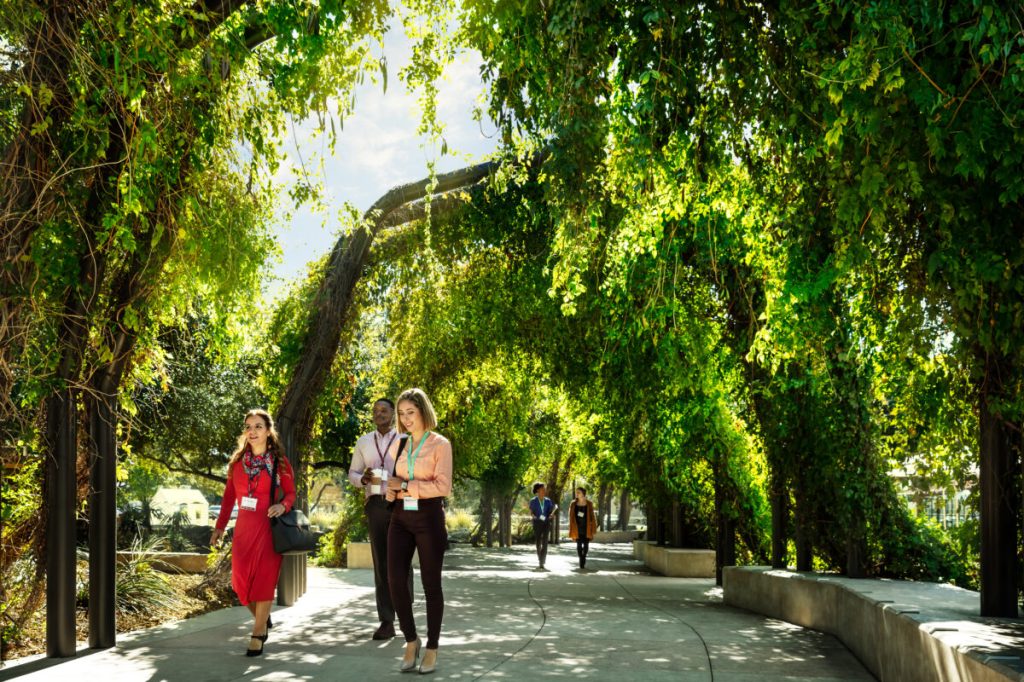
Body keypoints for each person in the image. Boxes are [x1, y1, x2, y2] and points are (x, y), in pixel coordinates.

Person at [210, 409, 296, 657]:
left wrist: (283, 505)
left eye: (258, 426)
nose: (252, 431)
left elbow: (291, 493)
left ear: (268, 432)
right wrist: (219, 527)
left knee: (264, 582)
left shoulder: (279, 463)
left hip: (269, 528)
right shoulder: (237, 464)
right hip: (244, 530)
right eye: (249, 426)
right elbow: (228, 500)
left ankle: (258, 633)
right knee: (239, 584)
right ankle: (262, 616)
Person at [385, 388, 452, 675]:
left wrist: (405, 486)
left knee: (430, 584)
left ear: (423, 411)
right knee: (395, 581)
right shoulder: (397, 445)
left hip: (429, 517)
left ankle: (433, 648)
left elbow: (443, 486)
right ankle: (411, 640)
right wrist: (388, 489)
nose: (405, 418)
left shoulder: (440, 444)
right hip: (400, 516)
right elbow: (393, 481)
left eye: (410, 412)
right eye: (401, 413)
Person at [348, 398, 414, 640]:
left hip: (401, 503)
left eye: (384, 410)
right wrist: (363, 479)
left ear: (393, 414)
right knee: (381, 563)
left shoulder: (406, 439)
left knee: (403, 563)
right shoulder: (364, 442)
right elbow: (352, 473)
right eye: (375, 411)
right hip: (375, 504)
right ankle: (387, 621)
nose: (379, 414)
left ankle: (407, 619)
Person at [568, 487, 597, 570]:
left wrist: (594, 527)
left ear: (583, 494)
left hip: (586, 527)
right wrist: (571, 526)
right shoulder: (573, 503)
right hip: (577, 528)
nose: (577, 494)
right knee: (579, 545)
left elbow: (592, 516)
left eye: (579, 492)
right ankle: (581, 558)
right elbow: (570, 516)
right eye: (576, 492)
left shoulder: (589, 503)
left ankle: (583, 556)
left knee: (586, 545)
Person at [529, 482, 557, 570]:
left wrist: (551, 515)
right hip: (537, 523)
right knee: (538, 542)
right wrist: (533, 516)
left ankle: (542, 561)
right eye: (542, 489)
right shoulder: (533, 501)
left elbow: (550, 512)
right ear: (537, 490)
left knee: (545, 542)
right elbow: (532, 512)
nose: (544, 490)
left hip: (546, 523)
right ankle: (539, 558)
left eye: (544, 489)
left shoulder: (548, 501)